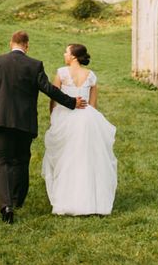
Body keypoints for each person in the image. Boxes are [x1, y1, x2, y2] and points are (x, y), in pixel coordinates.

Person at [0, 30, 86, 224]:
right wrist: (71, 102)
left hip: (0, 120)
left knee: (2, 162)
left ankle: (6, 206)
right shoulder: (34, 65)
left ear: (10, 44)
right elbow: (49, 89)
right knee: (21, 160)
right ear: (27, 46)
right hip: (24, 121)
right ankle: (17, 200)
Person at [41, 43, 117, 215]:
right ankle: (90, 200)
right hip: (87, 119)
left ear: (73, 56)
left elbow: (53, 98)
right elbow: (93, 105)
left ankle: (66, 199)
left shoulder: (61, 73)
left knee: (65, 158)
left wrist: (53, 116)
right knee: (86, 158)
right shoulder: (91, 76)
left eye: (66, 52)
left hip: (64, 117)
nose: (64, 54)